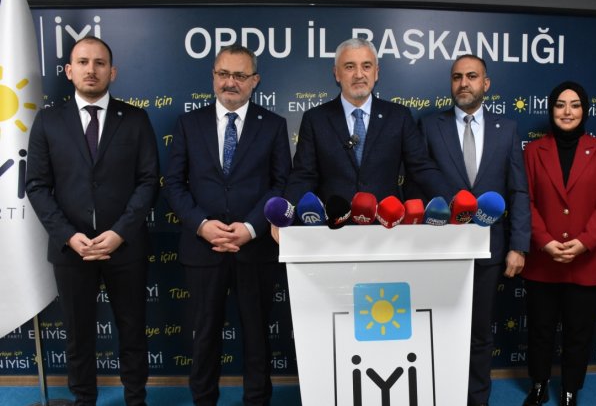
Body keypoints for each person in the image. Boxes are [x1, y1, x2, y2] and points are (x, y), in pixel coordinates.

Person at [25, 36, 159, 406]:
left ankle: (136, 398)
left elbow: (149, 181)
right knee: (78, 334)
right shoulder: (48, 121)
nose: (91, 70)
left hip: (125, 247)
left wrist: (119, 233)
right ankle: (84, 399)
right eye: (83, 62)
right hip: (72, 250)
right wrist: (69, 236)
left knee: (133, 331)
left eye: (100, 63)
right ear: (69, 71)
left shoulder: (136, 120)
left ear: (112, 72)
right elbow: (36, 186)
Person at [164, 45, 291, 406]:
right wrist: (202, 224)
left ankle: (257, 400)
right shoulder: (189, 124)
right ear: (213, 77)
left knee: (257, 335)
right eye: (223, 74)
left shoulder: (274, 125)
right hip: (203, 247)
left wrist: (250, 228)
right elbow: (173, 184)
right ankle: (203, 399)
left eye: (239, 75)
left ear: (255, 81)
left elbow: (282, 184)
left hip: (256, 248)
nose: (230, 82)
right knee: (204, 334)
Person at [411, 54, 530, 406]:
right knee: (439, 329)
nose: (464, 83)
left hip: (490, 249)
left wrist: (519, 246)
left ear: (486, 83)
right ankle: (440, 396)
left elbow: (518, 190)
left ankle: (477, 399)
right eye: (457, 77)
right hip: (439, 249)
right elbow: (416, 185)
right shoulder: (429, 126)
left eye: (472, 76)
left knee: (480, 333)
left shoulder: (507, 129)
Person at [521, 81, 596, 406]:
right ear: (551, 109)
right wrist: (545, 241)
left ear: (584, 110)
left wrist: (585, 242)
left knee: (579, 332)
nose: (567, 111)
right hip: (543, 259)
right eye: (560, 104)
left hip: (586, 261)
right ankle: (538, 384)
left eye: (575, 105)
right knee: (540, 329)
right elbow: (525, 201)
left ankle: (569, 390)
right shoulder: (533, 151)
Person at [281, 37, 452, 210]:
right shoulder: (315, 119)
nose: (359, 74)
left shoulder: (399, 116)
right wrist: (286, 212)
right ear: (336, 73)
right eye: (350, 67)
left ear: (376, 72)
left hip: (385, 221)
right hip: (334, 222)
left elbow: (421, 168)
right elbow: (304, 176)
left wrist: (452, 203)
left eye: (366, 66)